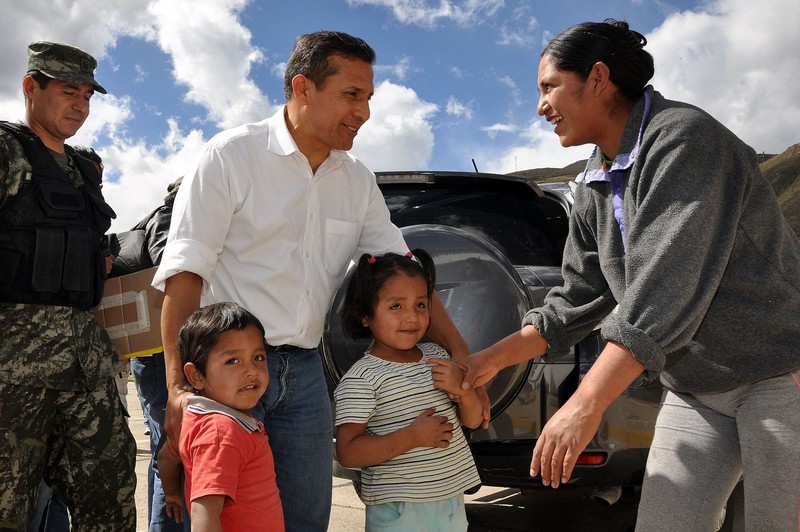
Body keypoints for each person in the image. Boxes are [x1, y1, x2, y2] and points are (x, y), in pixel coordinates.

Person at [459, 19, 800, 531]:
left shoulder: (684, 140)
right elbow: (575, 300)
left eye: (548, 87)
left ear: (597, 79)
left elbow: (665, 291)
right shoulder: (593, 182)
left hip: (779, 371)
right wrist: (487, 361)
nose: (540, 106)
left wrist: (585, 404)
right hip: (696, 387)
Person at [152, 30, 473, 531]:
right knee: (198, 510)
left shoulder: (357, 180)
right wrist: (177, 388)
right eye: (351, 95)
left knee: (304, 518)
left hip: (304, 376)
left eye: (368, 98)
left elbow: (405, 272)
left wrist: (460, 352)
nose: (364, 112)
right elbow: (185, 273)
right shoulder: (229, 156)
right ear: (303, 87)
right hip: (222, 374)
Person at [0, 41, 136, 530]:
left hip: (85, 359)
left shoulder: (85, 167)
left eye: (87, 95)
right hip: (13, 365)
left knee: (112, 497)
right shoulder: (6, 149)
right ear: (30, 88)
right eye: (67, 92)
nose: (80, 105)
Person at [335, 250, 482, 531]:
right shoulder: (362, 379)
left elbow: (473, 420)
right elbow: (348, 453)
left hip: (450, 501)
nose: (412, 317)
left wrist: (463, 392)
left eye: (420, 305)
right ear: (365, 315)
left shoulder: (438, 358)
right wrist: (412, 436)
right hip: (400, 510)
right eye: (396, 307)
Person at [157, 302, 284, 531]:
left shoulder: (199, 418)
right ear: (196, 376)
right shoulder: (221, 433)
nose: (251, 370)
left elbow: (166, 457)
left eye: (258, 357)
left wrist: (173, 493)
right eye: (232, 361)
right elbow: (203, 513)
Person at [109, 176, 186, 532]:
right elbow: (171, 274)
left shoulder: (150, 220)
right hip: (161, 354)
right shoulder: (169, 219)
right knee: (172, 452)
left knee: (163, 451)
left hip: (151, 353)